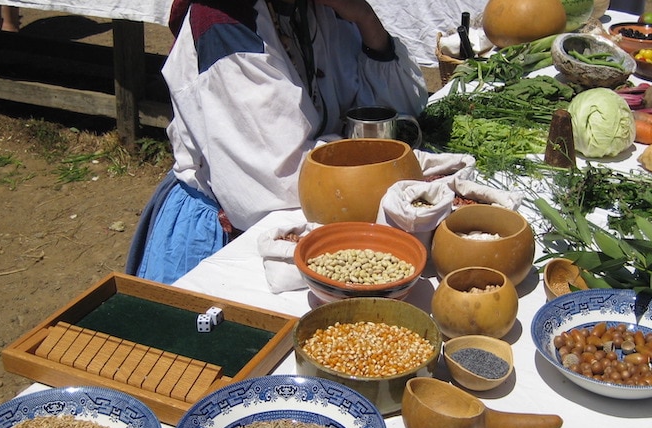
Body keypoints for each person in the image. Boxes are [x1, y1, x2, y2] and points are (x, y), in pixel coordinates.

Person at [126, 0, 428, 284]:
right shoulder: (225, 25)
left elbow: (399, 112)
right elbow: (280, 181)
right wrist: (365, 148)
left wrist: (366, 19)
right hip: (233, 234)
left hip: (321, 209)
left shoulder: (323, 9)